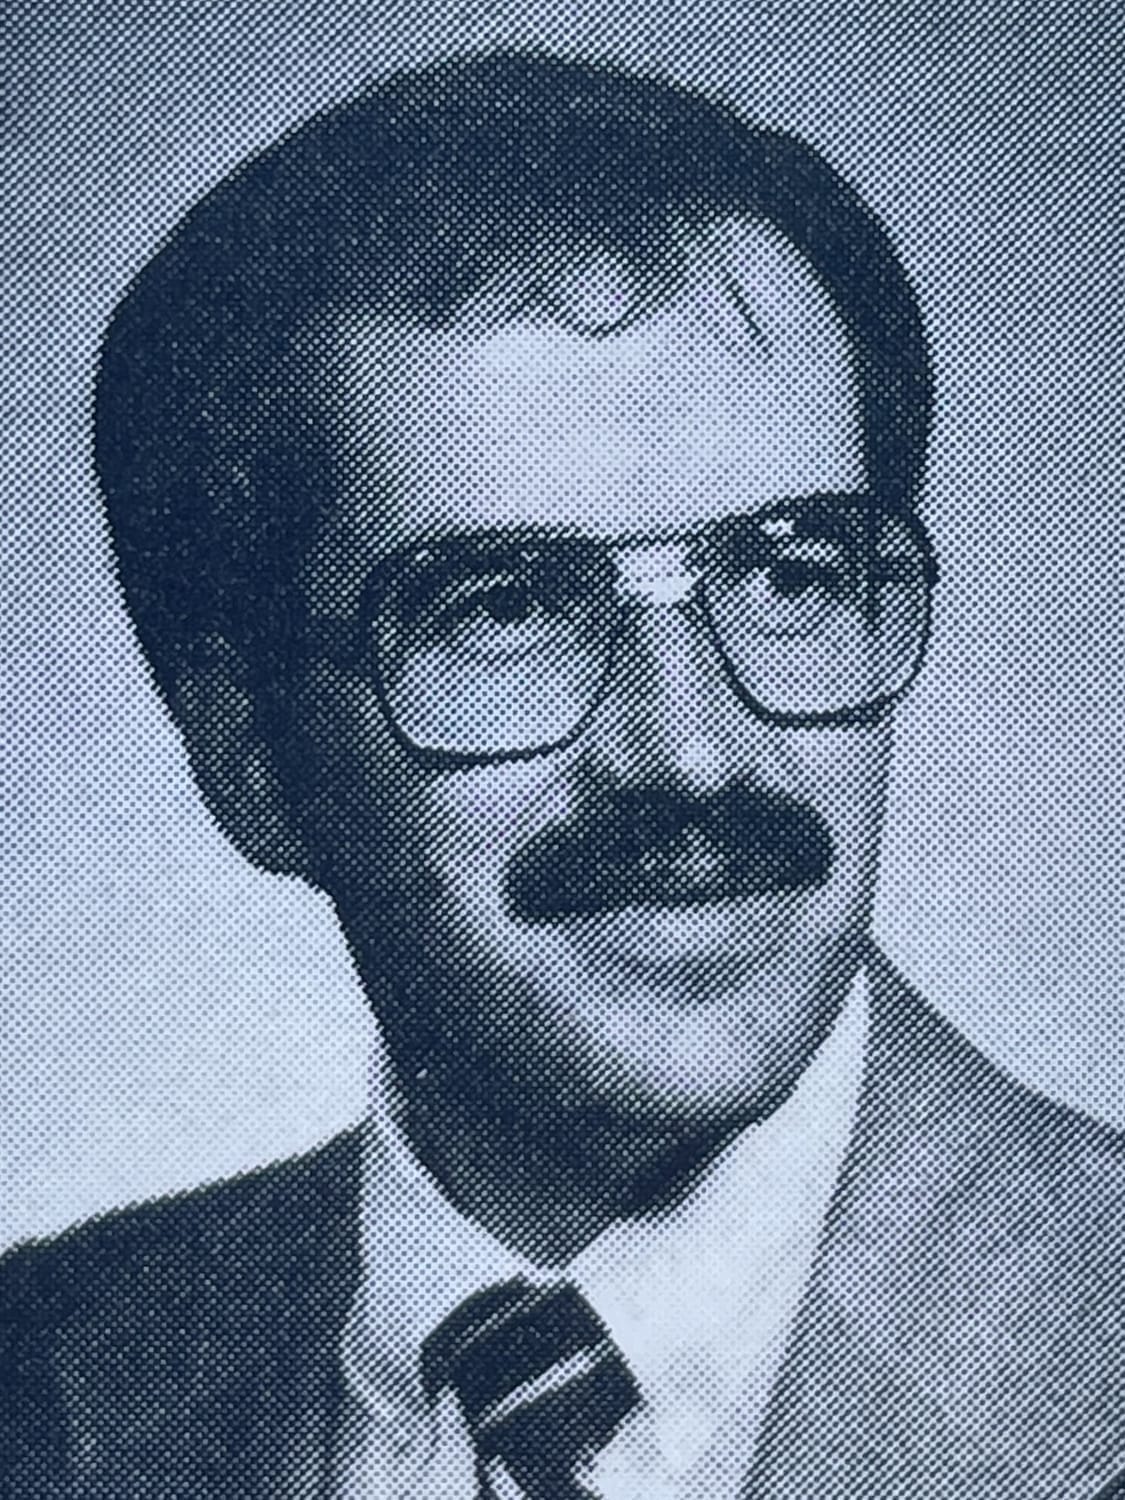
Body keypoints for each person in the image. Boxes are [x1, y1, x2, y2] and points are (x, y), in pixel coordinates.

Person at [3, 49, 1124, 1500]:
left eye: (788, 574)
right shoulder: (44, 1391)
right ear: (250, 758)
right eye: (506, 607)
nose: (689, 750)